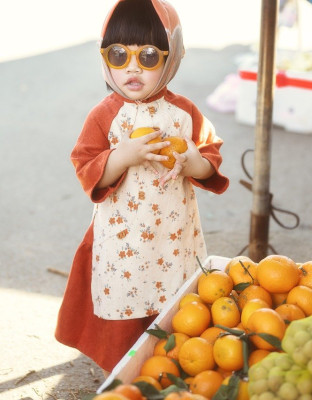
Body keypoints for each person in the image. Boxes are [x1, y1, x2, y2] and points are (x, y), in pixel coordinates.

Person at [55, 0, 229, 375]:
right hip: (124, 241)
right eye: (118, 55)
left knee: (174, 305)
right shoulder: (105, 114)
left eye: (148, 56)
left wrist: (191, 161)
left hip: (173, 234)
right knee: (125, 302)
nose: (132, 67)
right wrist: (122, 155)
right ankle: (123, 375)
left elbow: (209, 156)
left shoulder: (184, 112)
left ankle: (168, 364)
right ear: (105, 58)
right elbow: (87, 167)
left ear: (172, 57)